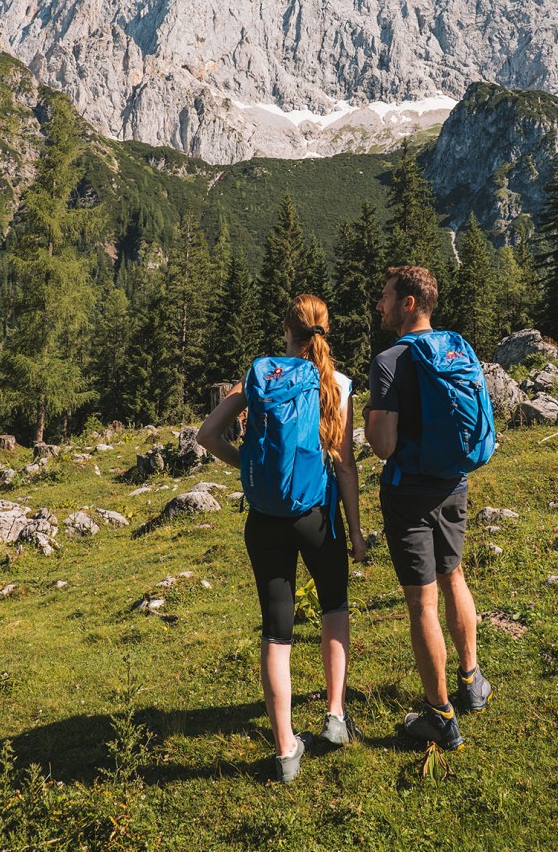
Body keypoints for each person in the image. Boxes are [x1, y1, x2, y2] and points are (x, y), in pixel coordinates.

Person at [197, 294, 365, 782]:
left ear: (286, 331)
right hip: (317, 515)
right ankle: (335, 717)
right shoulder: (336, 384)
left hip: (265, 519)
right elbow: (345, 466)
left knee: (276, 630)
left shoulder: (258, 377)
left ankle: (286, 750)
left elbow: (207, 435)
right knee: (334, 607)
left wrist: (247, 467)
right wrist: (356, 531)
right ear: (325, 330)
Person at [364, 265, 492, 751]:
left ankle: (439, 716)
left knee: (422, 603)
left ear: (409, 303)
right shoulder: (456, 347)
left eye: (386, 296)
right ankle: (471, 681)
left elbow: (383, 445)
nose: (380, 305)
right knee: (454, 575)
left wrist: (370, 418)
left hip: (409, 492)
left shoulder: (390, 360)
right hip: (454, 483)